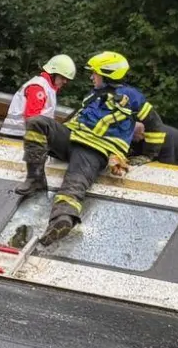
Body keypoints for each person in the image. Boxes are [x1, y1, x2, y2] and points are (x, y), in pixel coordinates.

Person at [19, 51, 165, 245]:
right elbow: (74, 118)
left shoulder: (132, 97)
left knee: (73, 184)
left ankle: (62, 220)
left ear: (106, 74)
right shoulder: (94, 95)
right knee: (37, 123)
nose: (91, 77)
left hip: (96, 149)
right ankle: (35, 178)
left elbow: (155, 124)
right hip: (72, 137)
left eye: (94, 73)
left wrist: (149, 155)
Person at [0, 55, 76, 139]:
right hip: (18, 134)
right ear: (53, 73)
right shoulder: (39, 88)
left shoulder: (47, 88)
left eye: (67, 79)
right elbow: (32, 117)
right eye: (62, 77)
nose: (65, 81)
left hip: (23, 133)